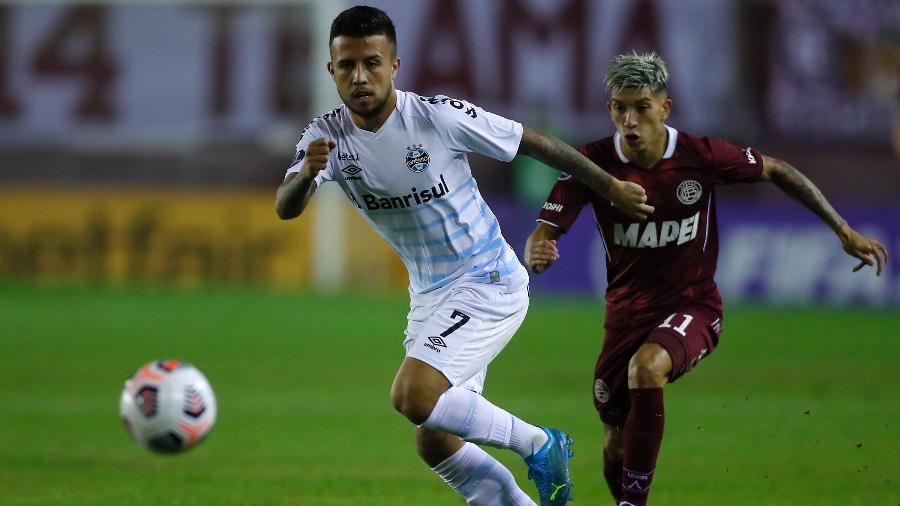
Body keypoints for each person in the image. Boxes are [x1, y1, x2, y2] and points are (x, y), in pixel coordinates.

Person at [275, 7, 654, 505]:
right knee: (434, 438)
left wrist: (609, 186)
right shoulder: (326, 138)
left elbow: (532, 143)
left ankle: (540, 444)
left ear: (395, 65)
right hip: (430, 295)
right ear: (331, 71)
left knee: (412, 395)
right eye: (347, 66)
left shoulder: (436, 116)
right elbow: (286, 206)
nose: (360, 76)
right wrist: (306, 175)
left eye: (372, 62)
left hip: (487, 279)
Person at [525, 51, 889, 506]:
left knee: (647, 369)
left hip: (693, 304)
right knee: (615, 438)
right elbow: (546, 229)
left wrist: (842, 229)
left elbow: (777, 169)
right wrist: (539, 247)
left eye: (641, 106)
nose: (630, 119)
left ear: (665, 108)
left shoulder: (700, 155)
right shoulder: (593, 163)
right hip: (624, 314)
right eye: (620, 107)